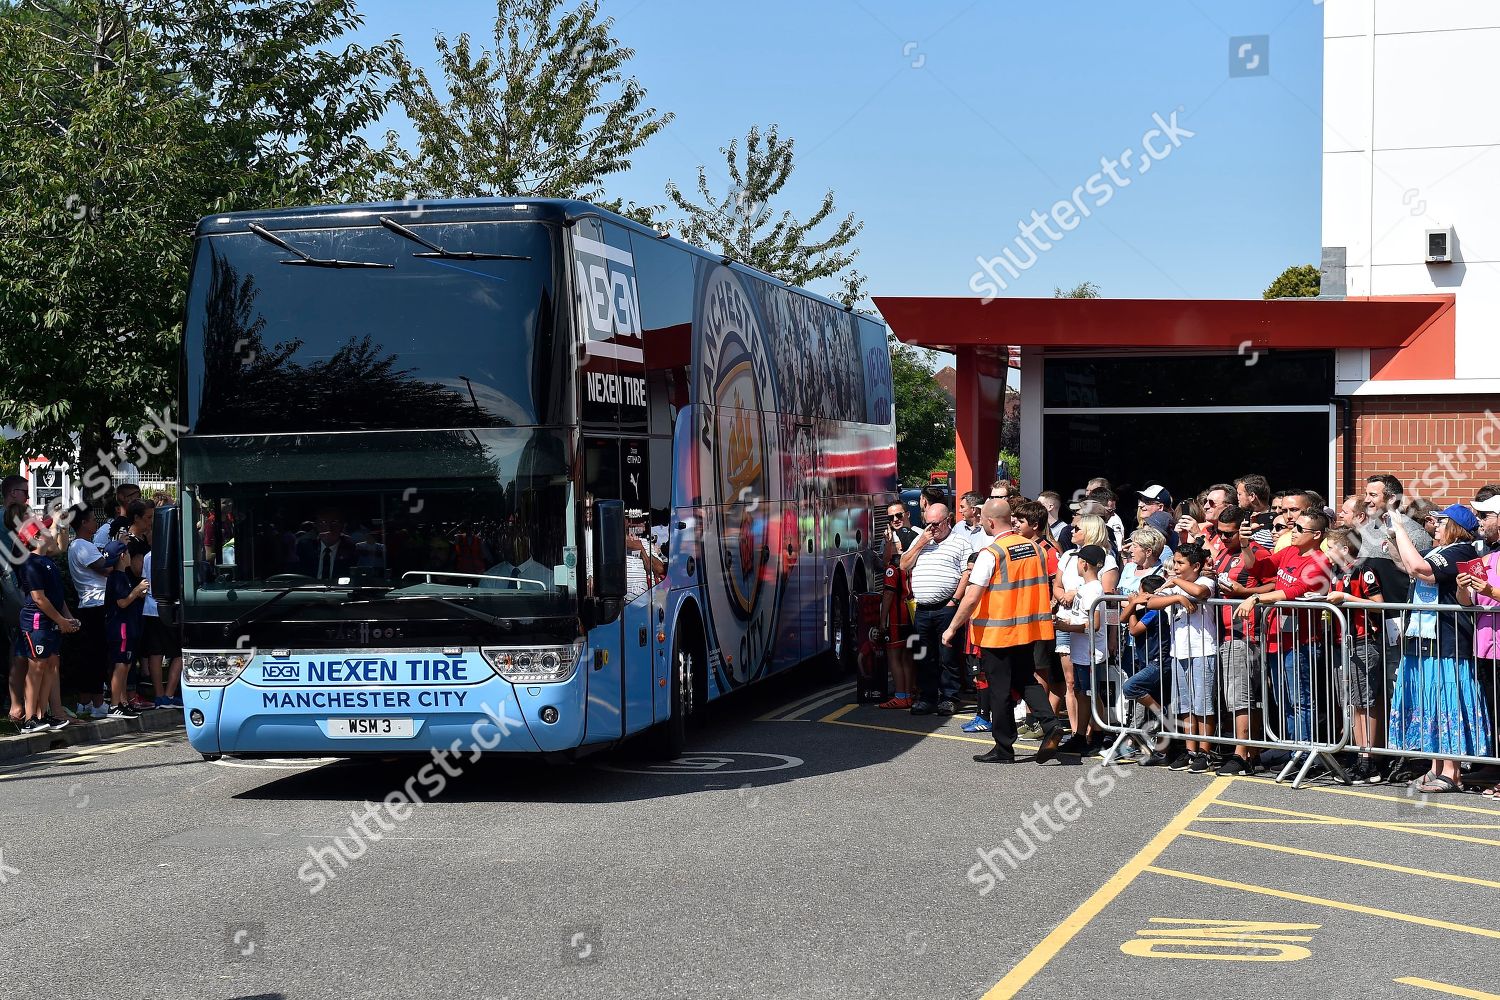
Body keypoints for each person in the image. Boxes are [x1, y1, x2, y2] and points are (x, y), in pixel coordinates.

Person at [943, 499, 1065, 765]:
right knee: (1025, 679)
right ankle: (1050, 722)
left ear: (988, 522)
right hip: (1027, 629)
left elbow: (973, 595)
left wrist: (952, 627)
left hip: (998, 632)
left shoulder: (992, 553)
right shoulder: (1036, 548)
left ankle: (1004, 748)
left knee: (999, 689)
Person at [1389, 504, 1489, 793]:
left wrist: (1400, 526)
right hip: (1424, 637)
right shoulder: (1439, 550)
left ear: (1455, 526)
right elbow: (1411, 567)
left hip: (1449, 638)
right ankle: (1436, 767)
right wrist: (1395, 536)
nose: (1437, 527)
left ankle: (1452, 771)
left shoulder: (1461, 551)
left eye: (1443, 522)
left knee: (1448, 701)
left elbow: (1421, 570)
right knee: (1431, 701)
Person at [1235, 509, 1335, 762]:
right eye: (1294, 527)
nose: (1294, 532)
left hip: (1301, 642)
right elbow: (1260, 567)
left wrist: (1256, 597)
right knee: (1284, 700)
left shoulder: (1320, 561)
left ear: (1316, 535)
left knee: (1301, 699)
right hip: (1276, 639)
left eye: (1300, 529)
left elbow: (1292, 592)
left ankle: (1303, 755)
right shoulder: (1290, 550)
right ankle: (1294, 749)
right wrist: (1246, 546)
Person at [1208, 504, 1276, 775]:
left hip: (1245, 633)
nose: (1224, 538)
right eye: (1219, 533)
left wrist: (1243, 591)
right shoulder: (1223, 552)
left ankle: (1241, 753)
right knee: (1239, 695)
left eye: (1229, 533)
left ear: (1242, 529)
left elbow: (1273, 586)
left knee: (1241, 696)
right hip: (1225, 632)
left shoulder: (1256, 552)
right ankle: (1253, 751)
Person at [1140, 543, 1217, 771]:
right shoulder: (1174, 586)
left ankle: (1205, 751)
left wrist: (1176, 584)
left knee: (1203, 705)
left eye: (1181, 563)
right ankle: (1190, 749)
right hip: (1179, 651)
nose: (1176, 567)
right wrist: (1176, 598)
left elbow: (1199, 593)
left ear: (1195, 566)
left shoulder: (1205, 581)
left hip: (1202, 649)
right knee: (1185, 704)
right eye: (1175, 562)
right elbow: (1151, 601)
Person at [1322, 526, 1386, 783]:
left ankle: (1369, 760)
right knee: (1353, 703)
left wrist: (1346, 597)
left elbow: (1379, 605)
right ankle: (1359, 756)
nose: (1325, 555)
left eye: (1330, 549)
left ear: (1344, 550)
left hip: (1362, 641)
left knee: (1365, 702)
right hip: (1343, 642)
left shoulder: (1363, 570)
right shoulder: (1336, 572)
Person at [1052, 515, 1120, 747]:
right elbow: (1058, 586)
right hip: (1072, 625)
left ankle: (1094, 732)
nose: (1072, 531)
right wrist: (1064, 599)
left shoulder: (1103, 566)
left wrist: (1112, 635)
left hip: (1087, 639)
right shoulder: (1070, 557)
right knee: (1075, 686)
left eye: (1077, 528)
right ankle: (1079, 733)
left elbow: (1105, 608)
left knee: (1088, 690)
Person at [899, 502, 970, 715]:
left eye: (936, 524)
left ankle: (949, 697)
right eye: (927, 524)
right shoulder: (921, 540)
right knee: (923, 655)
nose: (931, 528)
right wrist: (920, 542)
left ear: (947, 520)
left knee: (947, 655)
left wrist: (954, 601)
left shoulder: (960, 542)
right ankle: (927, 697)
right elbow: (903, 564)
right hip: (922, 608)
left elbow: (967, 573)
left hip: (946, 607)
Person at [13, 509, 80, 733]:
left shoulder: (46, 560)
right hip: (36, 621)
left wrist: (67, 617)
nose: (50, 530)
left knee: (49, 664)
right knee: (38, 665)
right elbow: (39, 598)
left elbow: (56, 596)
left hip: (50, 620)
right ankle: (30, 718)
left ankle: (42, 714)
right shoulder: (31, 563)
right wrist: (61, 620)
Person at [65, 504, 111, 719]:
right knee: (97, 655)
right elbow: (105, 568)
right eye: (93, 519)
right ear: (83, 523)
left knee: (90, 654)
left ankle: (85, 702)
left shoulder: (80, 545)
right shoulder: (82, 545)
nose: (96, 523)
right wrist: (118, 548)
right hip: (95, 604)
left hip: (90, 605)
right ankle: (98, 703)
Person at [1120, 574, 1172, 765]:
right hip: (1148, 662)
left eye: (1140, 590)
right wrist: (1133, 604)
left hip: (1159, 663)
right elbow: (1123, 618)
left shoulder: (1155, 612)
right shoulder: (1143, 610)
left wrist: (1134, 604)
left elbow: (1134, 630)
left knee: (1130, 687)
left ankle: (1161, 716)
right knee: (1161, 700)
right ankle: (1162, 753)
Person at [103, 541, 150, 719]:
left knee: (126, 665)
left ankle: (122, 702)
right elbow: (122, 602)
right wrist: (137, 590)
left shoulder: (122, 576)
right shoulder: (117, 577)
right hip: (120, 627)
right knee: (120, 665)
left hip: (126, 625)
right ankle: (115, 704)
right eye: (128, 553)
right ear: (123, 556)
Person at [140, 549, 183, 708]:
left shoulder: (148, 556)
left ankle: (159, 695)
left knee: (155, 652)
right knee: (179, 652)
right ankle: (169, 694)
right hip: (172, 608)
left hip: (151, 608)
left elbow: (145, 581)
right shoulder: (176, 554)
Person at [297, 507, 357, 580]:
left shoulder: (351, 549)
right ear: (316, 526)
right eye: (323, 522)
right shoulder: (305, 547)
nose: (329, 528)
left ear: (342, 526)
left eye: (334, 522)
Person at [1234, 474, 1276, 548]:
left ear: (1252, 496)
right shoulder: (1241, 518)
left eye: (1239, 494)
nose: (1237, 497)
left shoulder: (1275, 524)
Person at [1135, 485, 1178, 554]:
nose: (1140, 505)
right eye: (1141, 500)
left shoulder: (1168, 535)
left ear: (1160, 507)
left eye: (1147, 502)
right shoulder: (1142, 528)